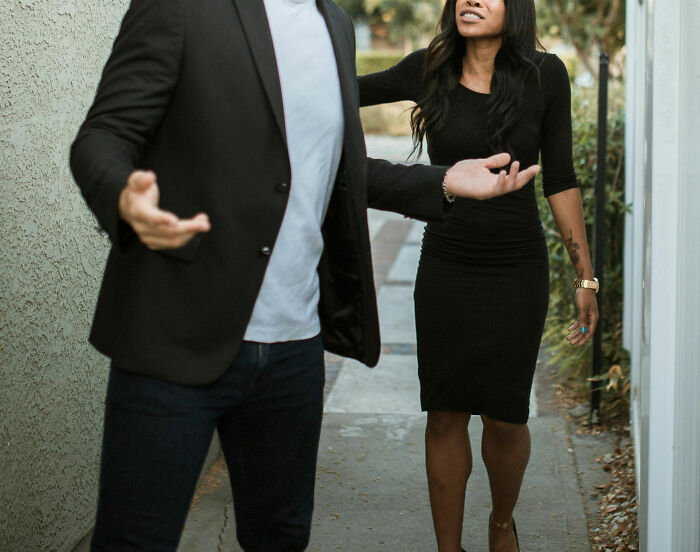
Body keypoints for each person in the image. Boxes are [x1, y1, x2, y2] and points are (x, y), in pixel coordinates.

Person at [69, 0, 540, 550]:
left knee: (281, 539)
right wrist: (124, 199)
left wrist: (440, 181)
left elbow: (337, 169)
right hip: (174, 332)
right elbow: (104, 134)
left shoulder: (333, 25)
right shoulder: (182, 7)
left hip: (293, 349)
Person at [358, 0, 599, 551]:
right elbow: (336, 93)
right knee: (444, 413)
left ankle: (500, 524)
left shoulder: (546, 74)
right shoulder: (428, 68)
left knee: (506, 417)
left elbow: (560, 180)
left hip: (517, 267)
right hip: (447, 264)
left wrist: (584, 277)